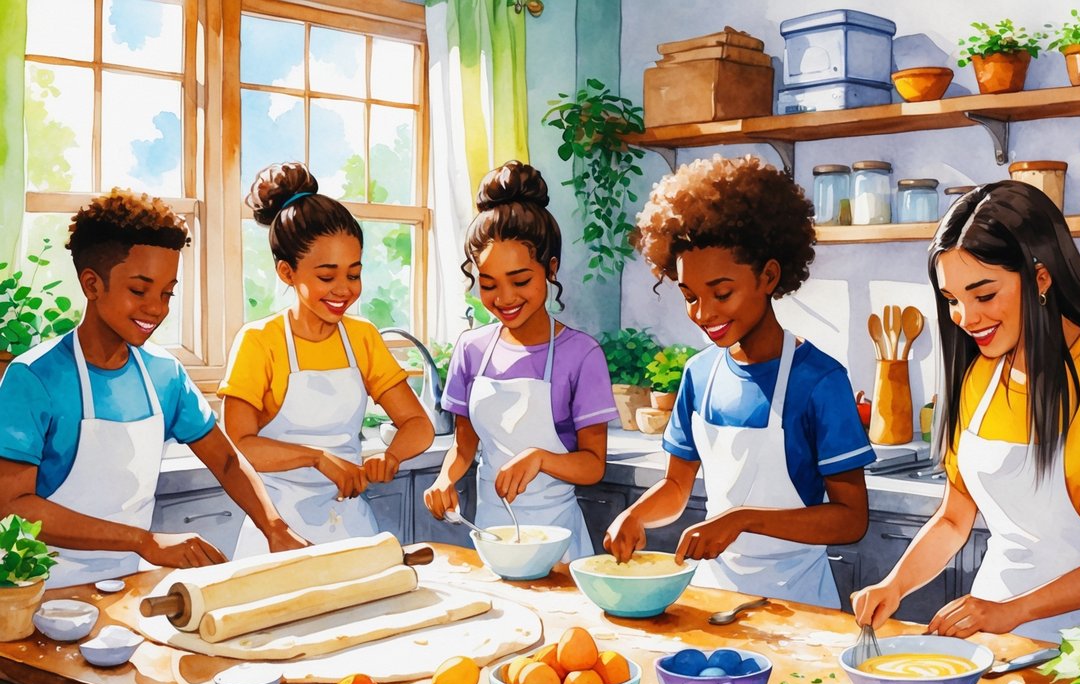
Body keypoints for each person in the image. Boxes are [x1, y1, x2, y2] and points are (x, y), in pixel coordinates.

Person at [852, 180, 1080, 643]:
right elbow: (953, 518)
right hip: (993, 637)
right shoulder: (978, 378)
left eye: (983, 296)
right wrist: (896, 584)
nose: (966, 318)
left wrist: (1015, 610)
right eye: (952, 301)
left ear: (1041, 278)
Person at [604, 155, 875, 606]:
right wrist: (636, 514)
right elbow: (676, 488)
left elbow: (851, 520)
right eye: (690, 296)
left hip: (800, 604)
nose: (703, 313)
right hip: (712, 599)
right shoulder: (700, 374)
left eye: (722, 293)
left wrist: (743, 519)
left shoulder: (820, 380)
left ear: (769, 276)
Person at [0, 188, 306, 587]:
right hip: (40, 588)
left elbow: (227, 461)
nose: (157, 309)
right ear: (92, 285)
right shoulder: (33, 378)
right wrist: (143, 541)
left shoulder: (165, 374)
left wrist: (274, 527)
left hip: (131, 582)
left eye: (166, 293)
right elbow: (13, 505)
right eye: (139, 290)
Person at [220, 162, 434, 555]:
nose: (344, 290)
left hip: (351, 527)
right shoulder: (259, 342)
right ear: (287, 272)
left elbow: (418, 424)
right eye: (326, 276)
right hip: (278, 533)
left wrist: (392, 455)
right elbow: (237, 446)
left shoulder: (362, 337)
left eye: (353, 274)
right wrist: (318, 459)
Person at [422, 161, 617, 559]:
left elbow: (593, 465)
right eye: (489, 285)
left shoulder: (581, 355)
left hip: (558, 541)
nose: (505, 298)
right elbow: (463, 448)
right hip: (491, 537)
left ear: (551, 269)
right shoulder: (471, 349)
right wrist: (445, 480)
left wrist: (540, 459)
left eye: (521, 281)